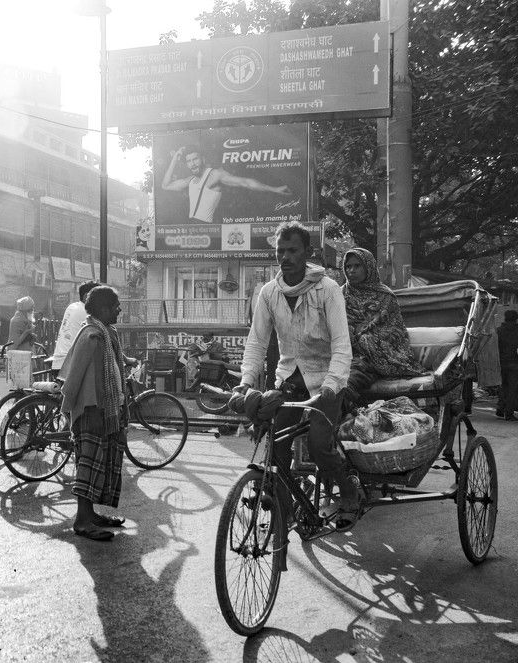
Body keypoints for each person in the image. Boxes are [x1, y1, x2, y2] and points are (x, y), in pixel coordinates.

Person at [239, 221, 359, 528]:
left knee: (320, 445)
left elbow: (342, 344)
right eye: (280, 250)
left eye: (293, 250)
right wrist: (246, 383)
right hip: (290, 378)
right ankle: (287, 508)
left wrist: (333, 384)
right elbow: (256, 342)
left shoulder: (328, 289)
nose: (285, 257)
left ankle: (349, 494)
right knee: (274, 446)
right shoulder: (269, 293)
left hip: (326, 380)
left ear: (308, 252)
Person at [58, 286, 129, 542]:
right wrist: (67, 412)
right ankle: (82, 521)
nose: (119, 309)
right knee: (88, 466)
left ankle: (91, 514)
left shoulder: (106, 334)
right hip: (91, 411)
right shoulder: (91, 335)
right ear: (102, 309)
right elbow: (73, 378)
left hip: (105, 410)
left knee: (100, 464)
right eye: (115, 305)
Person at [342, 248, 424, 396]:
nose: (351, 270)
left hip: (370, 358)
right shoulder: (339, 294)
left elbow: (394, 331)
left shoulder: (385, 296)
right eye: (348, 266)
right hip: (340, 353)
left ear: (369, 267)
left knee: (346, 382)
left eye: (357, 266)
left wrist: (362, 339)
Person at [161, 145, 291, 223]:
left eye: (195, 159)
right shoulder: (190, 180)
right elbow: (165, 185)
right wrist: (174, 159)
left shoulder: (215, 174)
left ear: (203, 159)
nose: (192, 163)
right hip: (192, 227)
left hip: (208, 227)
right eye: (189, 161)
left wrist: (274, 189)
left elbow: (245, 182)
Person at [51, 281, 100, 371]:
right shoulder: (87, 312)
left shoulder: (72, 307)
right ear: (86, 297)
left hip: (58, 362)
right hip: (71, 365)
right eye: (99, 297)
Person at [497, 310, 518, 421]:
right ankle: (509, 414)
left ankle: (500, 409)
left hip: (501, 362)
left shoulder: (499, 331)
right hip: (514, 364)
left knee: (502, 386)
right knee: (512, 389)